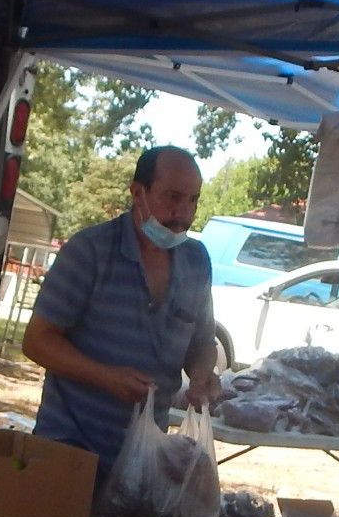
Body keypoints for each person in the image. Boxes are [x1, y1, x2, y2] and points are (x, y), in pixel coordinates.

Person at [21, 146, 219, 473]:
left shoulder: (197, 261)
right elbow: (37, 340)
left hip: (144, 458)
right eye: (172, 197)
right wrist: (105, 377)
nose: (183, 213)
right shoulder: (90, 251)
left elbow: (202, 342)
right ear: (138, 192)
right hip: (69, 449)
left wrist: (202, 374)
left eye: (193, 200)